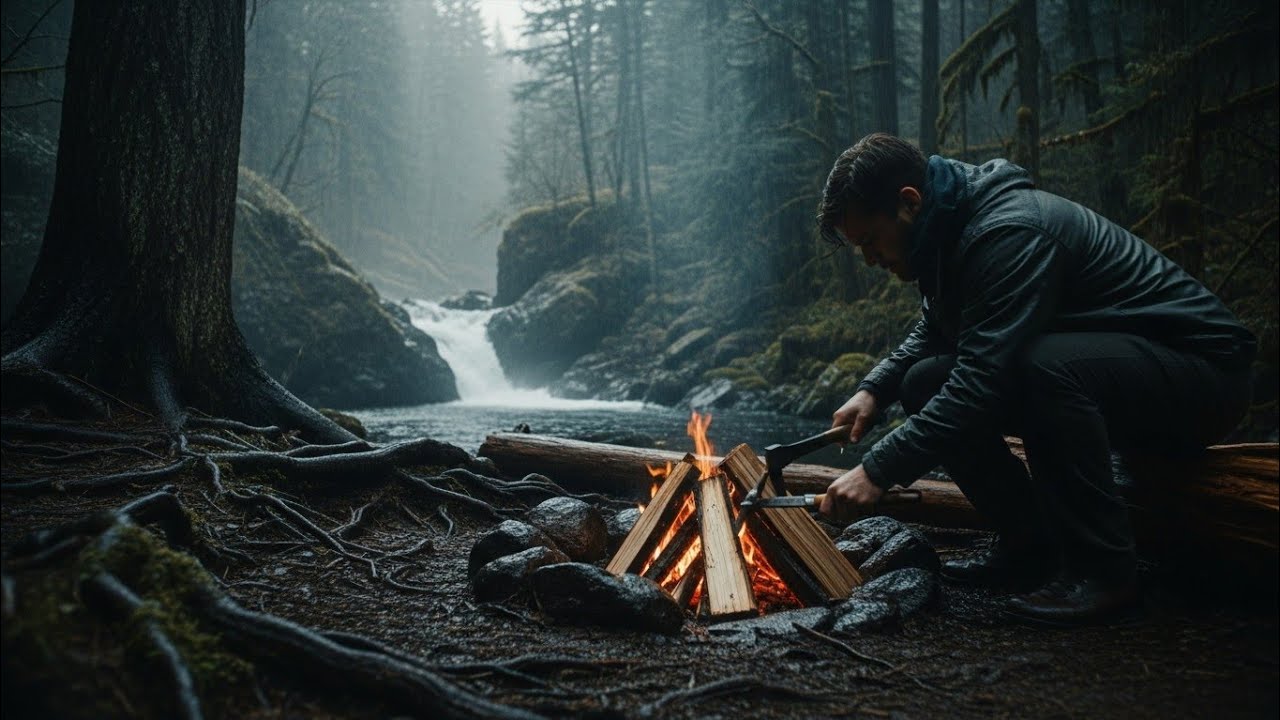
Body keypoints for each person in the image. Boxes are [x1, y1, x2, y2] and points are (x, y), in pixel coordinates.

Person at [813, 133, 1256, 624]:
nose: (870, 259)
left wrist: (877, 469)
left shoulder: (1010, 232)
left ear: (909, 203)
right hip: (1125, 374)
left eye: (870, 241)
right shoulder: (949, 233)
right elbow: (940, 327)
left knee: (1039, 365)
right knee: (924, 382)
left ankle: (1105, 573)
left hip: (1205, 375)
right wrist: (875, 390)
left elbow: (980, 380)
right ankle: (1031, 545)